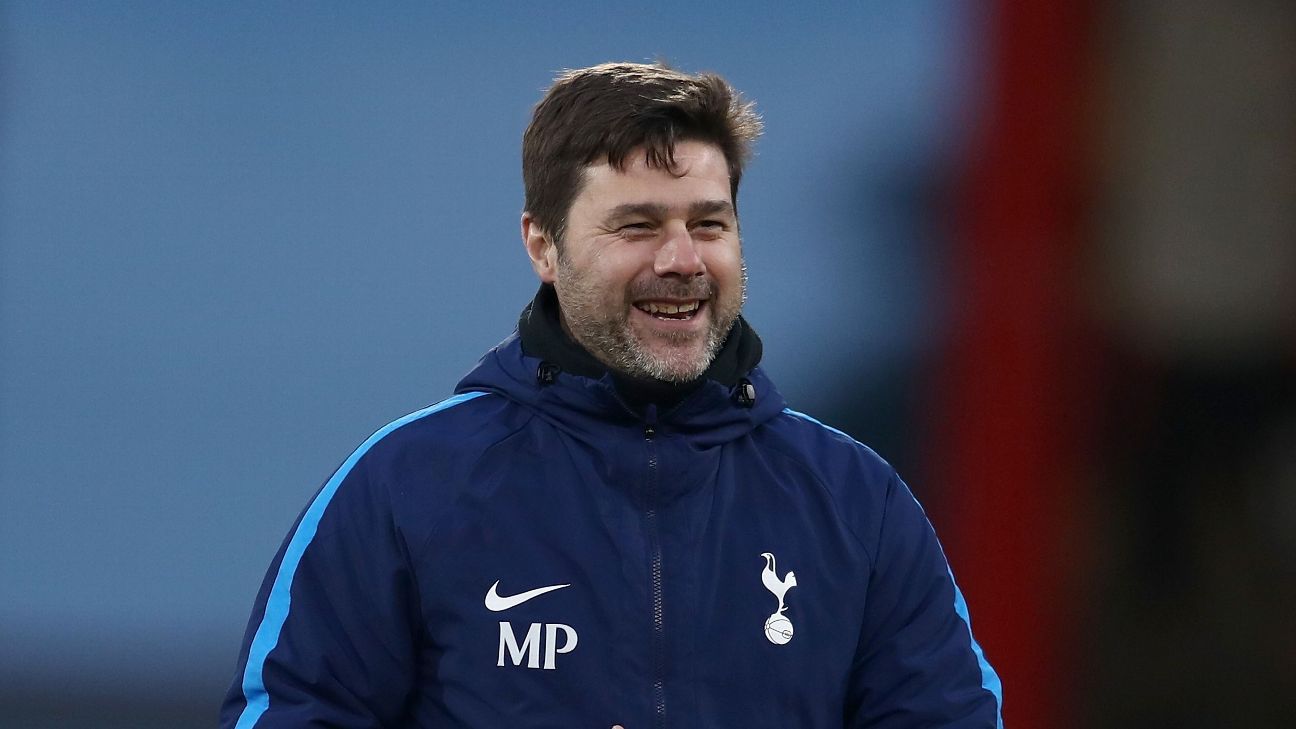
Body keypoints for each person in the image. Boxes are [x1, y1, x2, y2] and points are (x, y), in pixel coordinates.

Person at [220, 62, 1003, 729]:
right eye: (637, 226)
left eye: (709, 223)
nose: (682, 260)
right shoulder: (405, 486)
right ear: (544, 245)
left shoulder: (855, 500)